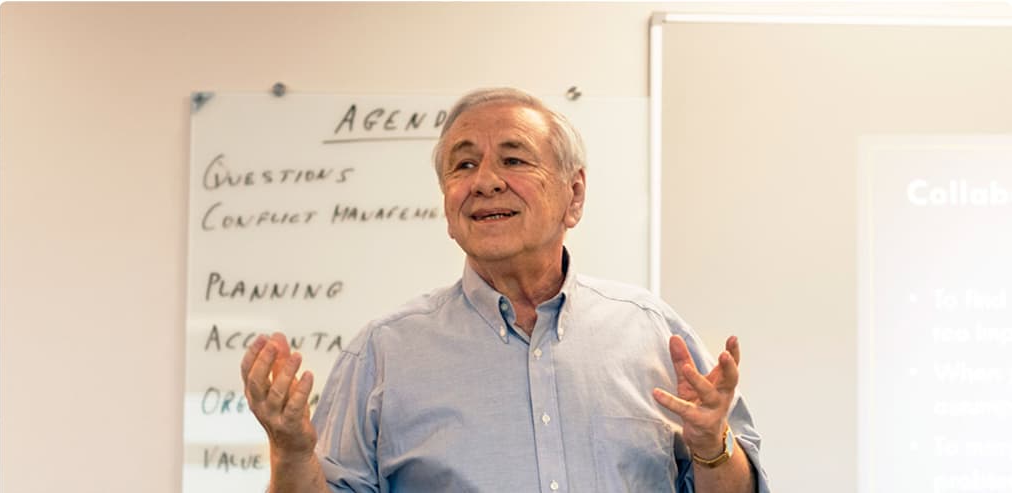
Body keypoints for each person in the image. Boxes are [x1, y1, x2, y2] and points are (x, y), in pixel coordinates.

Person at [240, 88, 770, 492]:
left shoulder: (653, 333)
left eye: (514, 160)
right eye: (464, 164)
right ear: (447, 204)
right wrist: (292, 453)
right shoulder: (382, 354)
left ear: (574, 194)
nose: (485, 181)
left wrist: (711, 445)